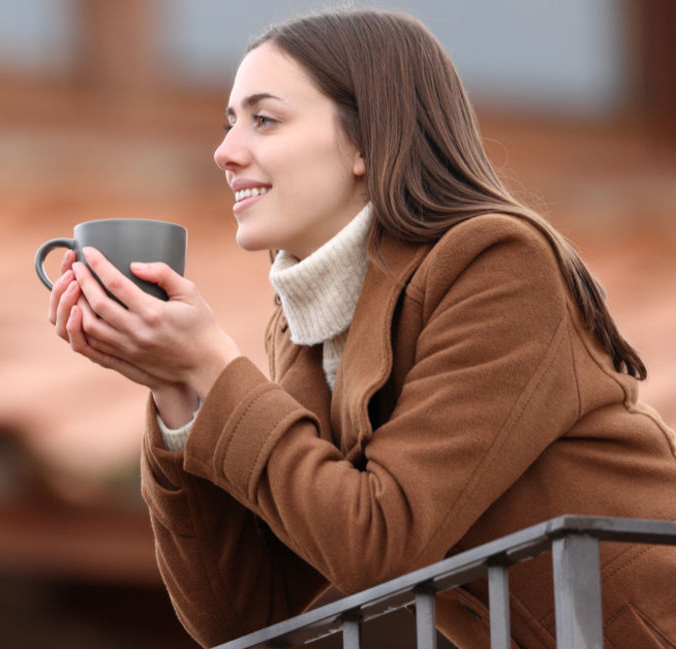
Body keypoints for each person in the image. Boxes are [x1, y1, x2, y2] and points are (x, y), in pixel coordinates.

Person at [45, 7, 676, 649]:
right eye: (230, 123)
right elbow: (243, 616)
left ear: (365, 142)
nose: (226, 151)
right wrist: (179, 391)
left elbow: (382, 542)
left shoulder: (498, 264)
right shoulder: (305, 330)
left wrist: (214, 369)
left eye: (264, 119)